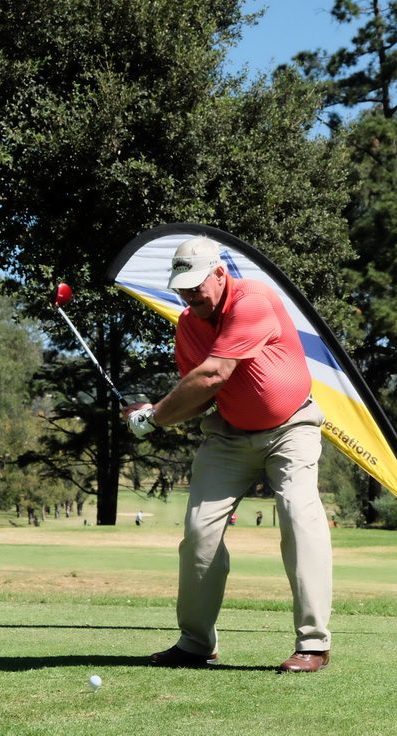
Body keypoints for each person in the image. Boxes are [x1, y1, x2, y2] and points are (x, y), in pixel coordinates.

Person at [123, 236, 332, 672]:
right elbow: (198, 397)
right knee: (199, 533)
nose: (189, 295)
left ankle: (313, 644)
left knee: (300, 516)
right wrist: (154, 414)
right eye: (182, 287)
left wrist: (153, 417)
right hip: (229, 436)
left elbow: (215, 372)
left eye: (196, 285)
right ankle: (196, 642)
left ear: (220, 274)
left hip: (292, 428)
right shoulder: (188, 325)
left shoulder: (253, 300)